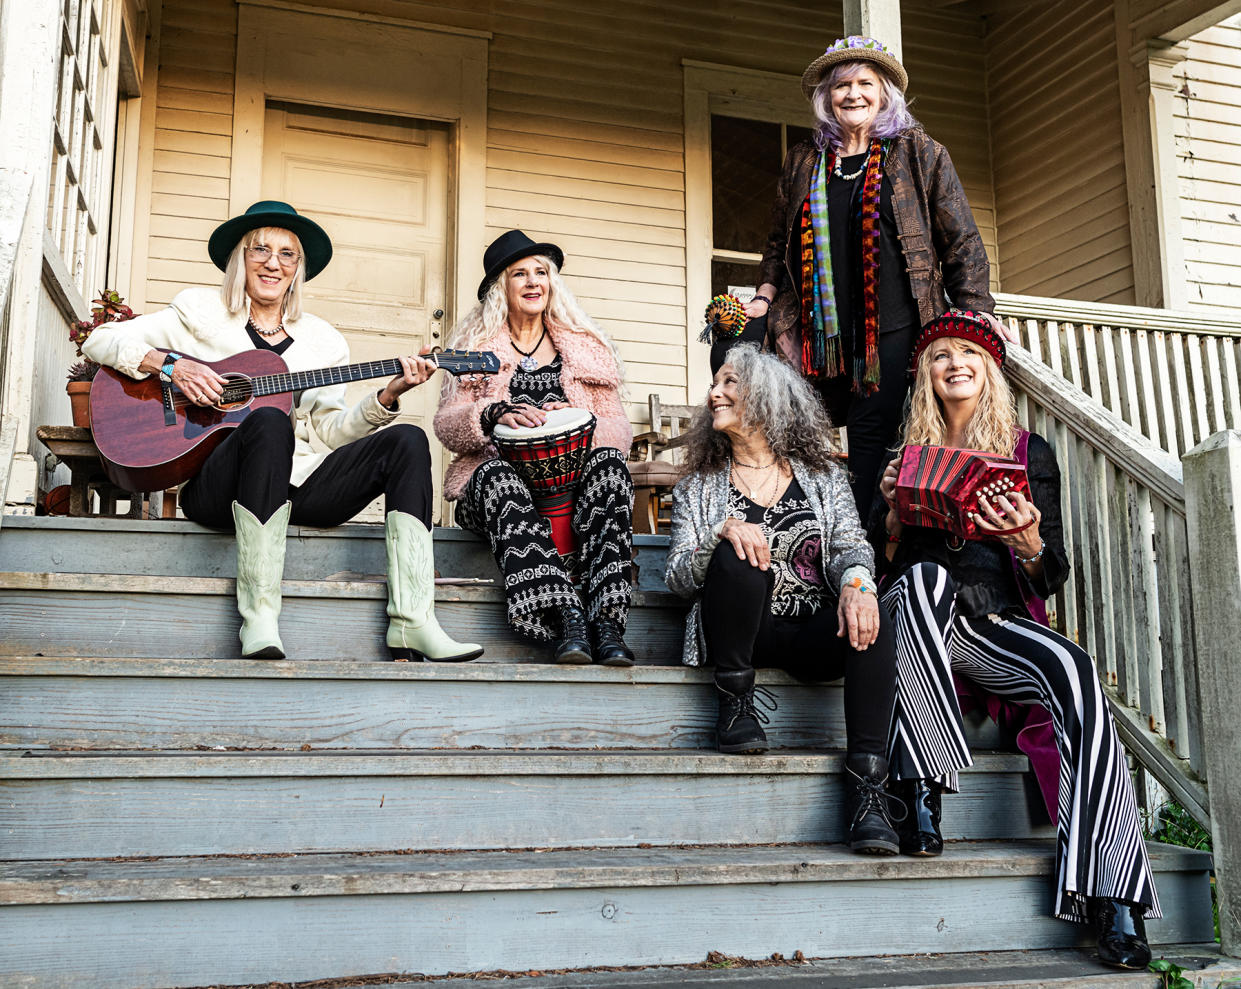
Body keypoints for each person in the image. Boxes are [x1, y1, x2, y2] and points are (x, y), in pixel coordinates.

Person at [872, 309, 1158, 969]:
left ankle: (1113, 894)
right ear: (924, 373)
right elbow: (878, 559)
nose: (954, 364)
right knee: (917, 580)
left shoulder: (1029, 453)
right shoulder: (901, 455)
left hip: (992, 621)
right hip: (916, 617)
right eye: (940, 355)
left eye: (966, 354)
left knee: (1076, 672)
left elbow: (1050, 570)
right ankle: (918, 790)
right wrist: (890, 509)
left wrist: (1027, 542)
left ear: (988, 369)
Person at [81, 200, 481, 664]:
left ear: (298, 269)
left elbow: (329, 433)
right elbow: (101, 339)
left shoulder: (324, 340)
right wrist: (172, 366)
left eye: (287, 254)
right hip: (218, 486)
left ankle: (414, 622)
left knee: (408, 439)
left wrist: (387, 397)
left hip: (299, 486)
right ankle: (261, 618)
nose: (273, 263)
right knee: (268, 420)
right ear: (240, 259)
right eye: (260, 250)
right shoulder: (199, 310)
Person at [665, 342, 950, 854]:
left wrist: (858, 585)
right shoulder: (698, 487)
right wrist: (720, 533)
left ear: (766, 397)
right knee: (739, 549)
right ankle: (735, 706)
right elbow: (679, 578)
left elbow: (849, 546)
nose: (714, 394)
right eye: (715, 384)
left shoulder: (822, 477)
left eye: (729, 383)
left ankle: (868, 791)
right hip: (741, 635)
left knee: (873, 611)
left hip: (810, 631)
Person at [747, 35, 1006, 515]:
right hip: (817, 333)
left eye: (865, 83)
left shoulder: (918, 151)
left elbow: (960, 238)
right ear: (827, 97)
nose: (853, 94)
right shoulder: (805, 160)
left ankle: (865, 563)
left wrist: (975, 312)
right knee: (798, 439)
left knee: (872, 444)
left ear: (885, 93)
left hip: (892, 328)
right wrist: (764, 297)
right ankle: (811, 542)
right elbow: (778, 240)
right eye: (841, 85)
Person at [433, 230, 635, 666]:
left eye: (540, 272)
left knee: (612, 466)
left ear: (552, 283)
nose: (532, 281)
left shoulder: (585, 350)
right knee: (497, 476)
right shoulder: (475, 349)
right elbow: (447, 425)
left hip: (572, 486)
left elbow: (619, 429)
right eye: (519, 273)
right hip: (493, 486)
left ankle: (606, 623)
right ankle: (566, 618)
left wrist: (579, 422)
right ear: (499, 288)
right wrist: (490, 414)